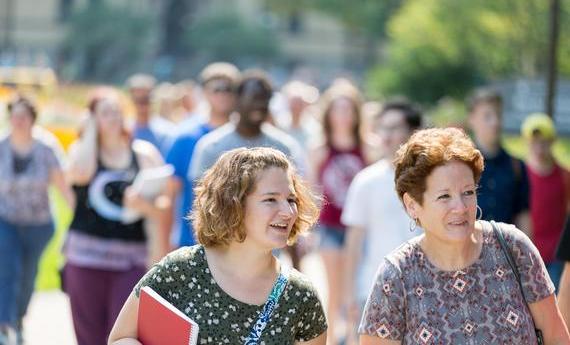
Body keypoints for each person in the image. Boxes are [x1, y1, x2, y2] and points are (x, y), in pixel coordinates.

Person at [359, 127, 569, 344]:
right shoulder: (395, 278)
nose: (460, 207)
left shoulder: (514, 247)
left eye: (468, 192)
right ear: (412, 205)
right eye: (444, 196)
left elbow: (556, 338)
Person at [108, 147, 327, 344]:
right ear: (233, 204)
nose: (288, 212)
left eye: (291, 200)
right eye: (271, 199)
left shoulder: (301, 296)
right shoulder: (180, 270)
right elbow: (121, 338)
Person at [64, 88, 168, 345]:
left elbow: (163, 206)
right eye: (105, 113)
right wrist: (89, 133)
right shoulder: (82, 151)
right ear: (92, 118)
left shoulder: (143, 154)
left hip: (131, 261)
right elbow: (80, 174)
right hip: (85, 259)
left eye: (117, 112)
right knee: (88, 334)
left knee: (125, 334)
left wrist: (145, 206)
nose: (113, 118)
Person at [341, 100, 422, 345]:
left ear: (413, 133)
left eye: (394, 128)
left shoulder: (430, 180)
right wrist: (349, 296)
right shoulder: (366, 181)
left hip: (424, 289)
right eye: (382, 128)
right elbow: (353, 244)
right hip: (375, 290)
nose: (386, 135)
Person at [0, 96, 74, 344]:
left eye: (24, 116)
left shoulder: (46, 148)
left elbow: (63, 188)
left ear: (33, 119)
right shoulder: (1, 146)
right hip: (6, 221)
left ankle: (18, 318)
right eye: (15, 116)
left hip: (39, 225)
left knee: (27, 276)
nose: (19, 122)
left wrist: (77, 222)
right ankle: (4, 326)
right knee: (7, 270)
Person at [308, 79, 367, 345]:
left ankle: (353, 338)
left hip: (359, 229)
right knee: (334, 289)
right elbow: (310, 191)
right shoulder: (319, 150)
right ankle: (330, 339)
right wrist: (307, 229)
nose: (343, 115)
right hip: (330, 227)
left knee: (355, 289)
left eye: (348, 109)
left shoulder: (369, 148)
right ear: (328, 114)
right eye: (337, 109)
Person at [164, 62, 240, 249]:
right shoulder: (185, 138)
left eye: (229, 89)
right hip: (192, 242)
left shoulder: (246, 138)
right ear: (205, 92)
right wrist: (166, 244)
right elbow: (170, 194)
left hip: (237, 243)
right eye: (217, 89)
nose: (223, 95)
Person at [189, 69, 306, 180]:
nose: (258, 106)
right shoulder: (212, 147)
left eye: (263, 100)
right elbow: (201, 196)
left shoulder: (283, 147)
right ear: (237, 100)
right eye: (252, 99)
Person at [467, 88, 531, 233]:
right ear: (472, 119)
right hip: (466, 251)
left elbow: (524, 216)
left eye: (498, 115)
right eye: (487, 116)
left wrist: (525, 254)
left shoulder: (517, 167)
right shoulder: (460, 165)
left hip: (506, 251)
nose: (495, 122)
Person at [522, 113, 570, 290]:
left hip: (557, 257)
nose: (539, 148)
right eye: (535, 142)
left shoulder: (564, 176)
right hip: (528, 255)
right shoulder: (521, 174)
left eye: (544, 142)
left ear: (552, 142)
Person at [126, 73, 173, 157]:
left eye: (145, 100)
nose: (141, 106)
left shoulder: (168, 132)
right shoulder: (124, 131)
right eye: (138, 100)